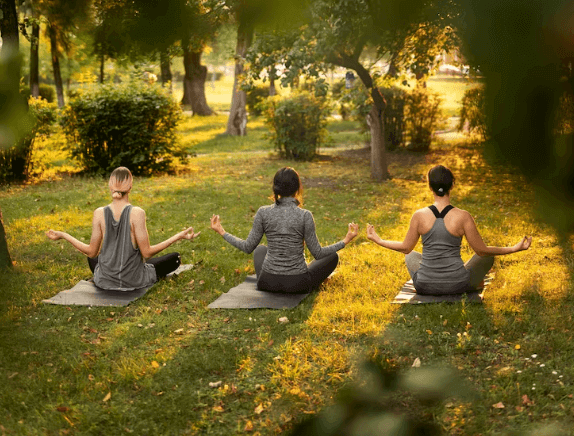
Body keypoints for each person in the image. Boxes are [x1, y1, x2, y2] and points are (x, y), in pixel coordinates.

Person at [366, 164, 532, 295]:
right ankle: (472, 282)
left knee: (410, 254)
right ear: (452, 185)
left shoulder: (419, 215)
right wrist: (514, 248)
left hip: (425, 285)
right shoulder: (463, 216)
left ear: (429, 186)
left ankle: (441, 278)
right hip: (457, 284)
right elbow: (481, 251)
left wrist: (378, 240)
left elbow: (405, 248)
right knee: (487, 257)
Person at [46, 166, 200, 290]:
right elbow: (146, 252)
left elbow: (91, 252)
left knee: (92, 255)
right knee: (175, 258)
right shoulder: (137, 213)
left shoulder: (99, 213)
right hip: (134, 280)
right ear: (130, 186)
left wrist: (63, 235)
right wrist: (178, 236)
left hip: (104, 281)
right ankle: (131, 271)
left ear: (110, 187)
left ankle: (106, 275)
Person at [210, 166, 359, 293]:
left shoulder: (263, 212)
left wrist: (222, 231)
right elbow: (318, 253)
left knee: (260, 249)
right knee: (332, 256)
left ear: (276, 188)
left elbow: (247, 247)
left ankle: (278, 276)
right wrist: (345, 240)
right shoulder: (305, 215)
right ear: (298, 187)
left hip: (267, 283)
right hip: (298, 284)